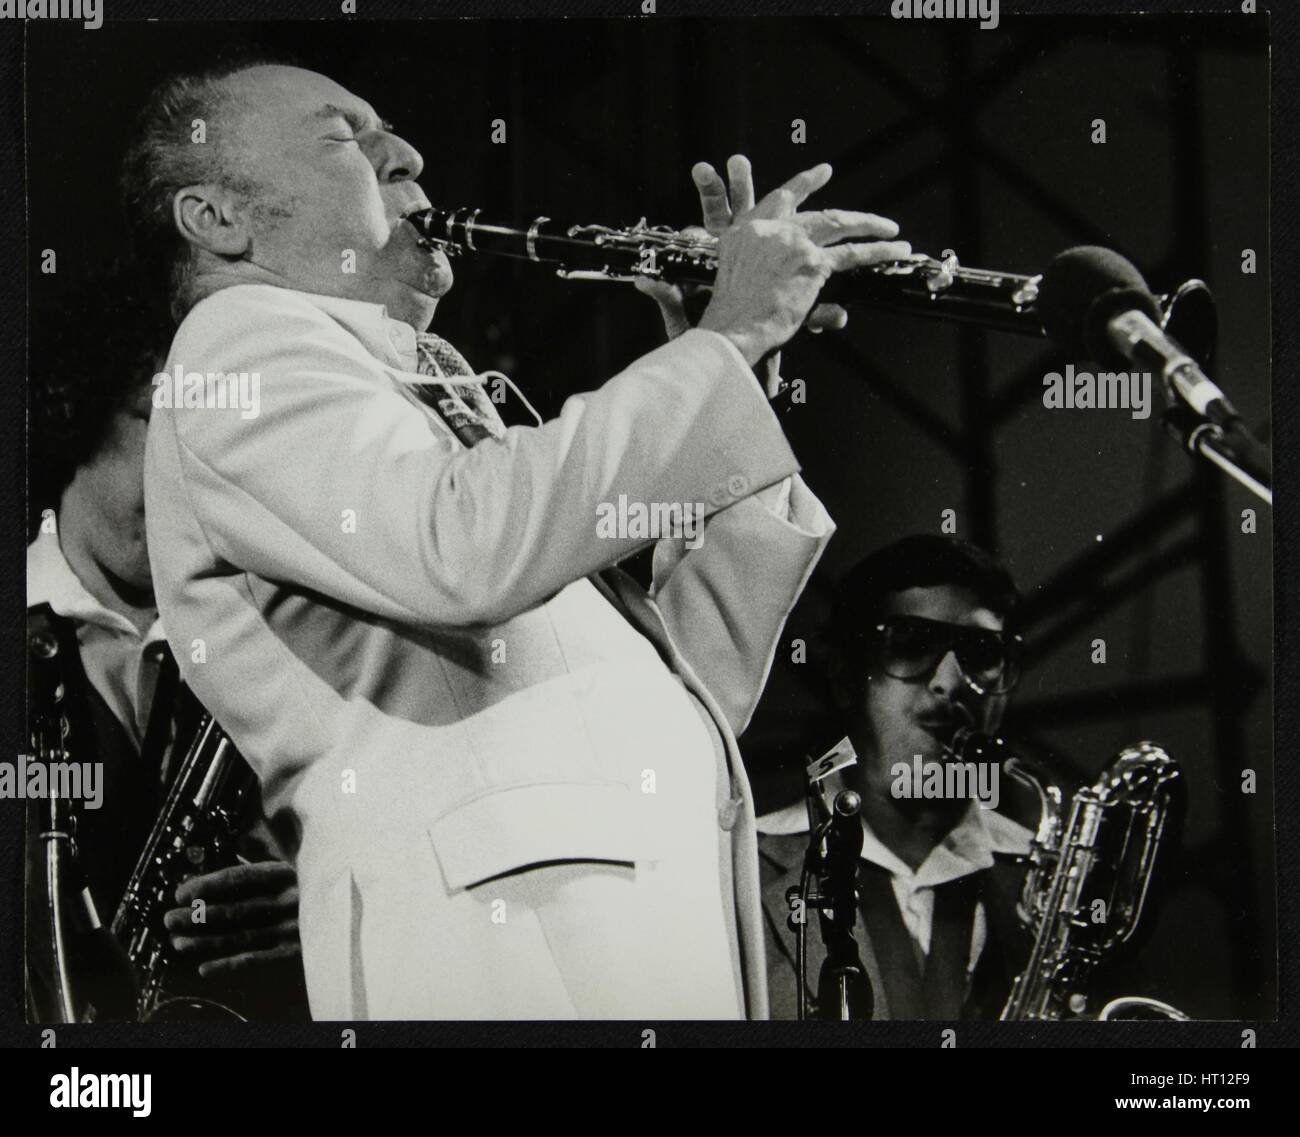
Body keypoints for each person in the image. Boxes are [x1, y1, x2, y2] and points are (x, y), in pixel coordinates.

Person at [128, 60, 912, 1019]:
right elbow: (465, 549)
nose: (407, 153)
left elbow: (690, 689)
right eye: (344, 136)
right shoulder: (239, 344)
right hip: (498, 950)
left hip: (613, 937)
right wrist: (721, 347)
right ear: (216, 220)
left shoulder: (399, 390)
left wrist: (724, 372)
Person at [26, 272, 306, 1021]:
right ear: (73, 412)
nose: (193, 467)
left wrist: (316, 896)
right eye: (160, 420)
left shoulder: (267, 638)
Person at [758, 535, 1034, 1019]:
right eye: (911, 644)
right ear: (846, 676)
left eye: (980, 652)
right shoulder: (743, 867)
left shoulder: (1052, 879)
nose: (950, 682)